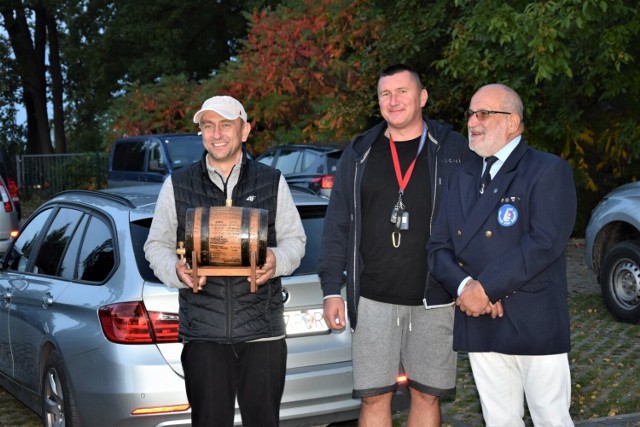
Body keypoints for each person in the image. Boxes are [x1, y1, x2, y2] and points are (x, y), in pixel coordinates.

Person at [318, 64, 475, 426]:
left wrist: (469, 282)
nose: (394, 101)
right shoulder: (359, 153)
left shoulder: (452, 149)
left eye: (402, 91)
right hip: (372, 298)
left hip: (435, 296)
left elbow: (475, 219)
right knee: (374, 399)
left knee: (427, 396)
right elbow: (337, 222)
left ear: (422, 97)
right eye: (385, 94)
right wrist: (330, 289)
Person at [144, 95, 306, 427]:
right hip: (204, 335)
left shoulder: (271, 181)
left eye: (226, 125)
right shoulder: (176, 184)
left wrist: (277, 258)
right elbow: (155, 245)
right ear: (201, 132)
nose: (217, 134)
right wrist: (175, 271)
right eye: (208, 126)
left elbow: (296, 241)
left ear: (244, 131)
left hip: (263, 334)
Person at [427, 83, 577, 426]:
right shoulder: (459, 177)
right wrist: (467, 288)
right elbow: (438, 247)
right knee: (498, 419)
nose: (472, 122)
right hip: (480, 318)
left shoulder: (547, 170)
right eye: (470, 114)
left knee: (550, 417)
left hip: (533, 318)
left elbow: (544, 243)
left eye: (484, 113)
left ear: (513, 121)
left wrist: (487, 288)